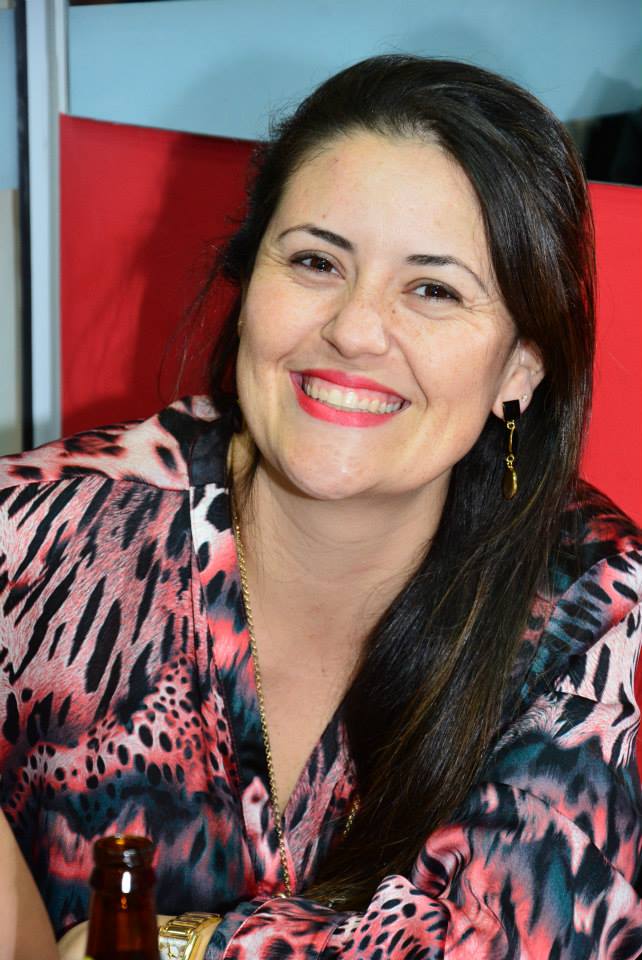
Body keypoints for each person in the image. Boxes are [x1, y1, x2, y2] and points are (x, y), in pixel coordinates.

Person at [0, 54, 641, 960]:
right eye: (315, 261)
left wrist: (171, 947)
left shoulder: (588, 597)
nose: (353, 329)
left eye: (432, 289)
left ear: (520, 369)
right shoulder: (36, 538)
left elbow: (528, 938)